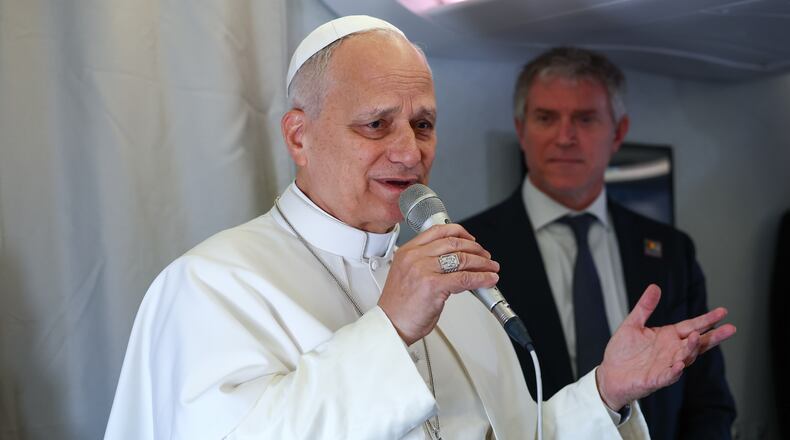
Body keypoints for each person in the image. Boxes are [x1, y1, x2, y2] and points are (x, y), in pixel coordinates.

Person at [105, 18, 736, 439]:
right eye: (376, 125)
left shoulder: (450, 282)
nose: (410, 153)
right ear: (299, 135)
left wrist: (604, 392)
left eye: (424, 124)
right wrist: (390, 328)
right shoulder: (210, 286)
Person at [461, 46, 737, 440]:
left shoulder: (670, 250)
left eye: (585, 119)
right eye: (545, 118)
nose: (564, 137)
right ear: (522, 130)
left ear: (618, 133)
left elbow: (707, 401)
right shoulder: (470, 249)